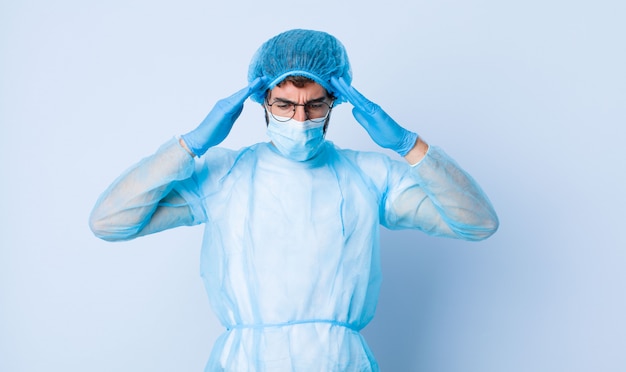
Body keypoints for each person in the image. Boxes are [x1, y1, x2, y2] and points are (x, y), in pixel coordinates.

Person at [89, 29, 498, 371]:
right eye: (284, 105)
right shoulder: (224, 176)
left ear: (335, 102)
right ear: (262, 101)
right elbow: (109, 222)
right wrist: (188, 147)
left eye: (314, 105)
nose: (299, 120)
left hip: (340, 362)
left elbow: (477, 223)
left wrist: (410, 146)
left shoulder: (370, 177)